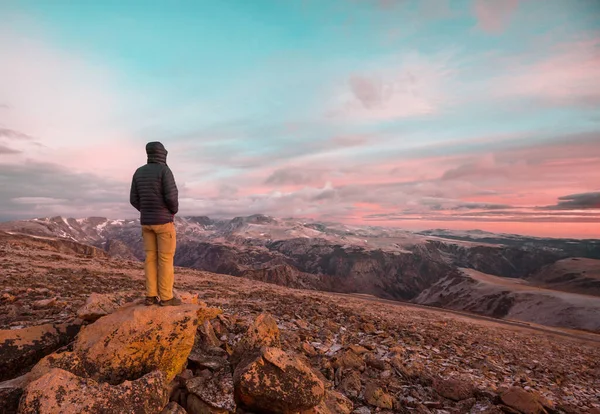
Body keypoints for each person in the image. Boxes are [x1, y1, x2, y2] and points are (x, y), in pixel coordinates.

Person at [130, 141, 181, 306]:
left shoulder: (138, 172)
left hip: (146, 222)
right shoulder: (164, 171)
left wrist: (146, 211)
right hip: (164, 222)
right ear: (163, 154)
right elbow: (171, 197)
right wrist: (172, 211)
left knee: (150, 258)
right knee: (165, 259)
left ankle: (150, 296)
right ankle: (166, 297)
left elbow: (133, 199)